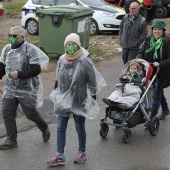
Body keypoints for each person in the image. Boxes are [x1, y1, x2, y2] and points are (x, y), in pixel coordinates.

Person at [47, 33, 106, 166]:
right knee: (61, 127)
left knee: (79, 127)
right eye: (68, 44)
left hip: (79, 100)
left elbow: (92, 82)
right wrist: (56, 95)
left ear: (78, 45)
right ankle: (59, 155)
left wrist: (90, 99)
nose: (71, 46)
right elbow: (57, 79)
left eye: (73, 44)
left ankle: (82, 152)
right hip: (63, 100)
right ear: (65, 46)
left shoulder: (85, 61)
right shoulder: (62, 60)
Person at [0, 26, 50, 149]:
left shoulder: (30, 50)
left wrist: (20, 74)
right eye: (10, 35)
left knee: (30, 114)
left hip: (27, 89)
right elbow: (2, 66)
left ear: (22, 37)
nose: (11, 38)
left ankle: (44, 127)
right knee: (7, 113)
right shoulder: (7, 49)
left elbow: (36, 69)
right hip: (10, 88)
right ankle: (11, 140)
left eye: (14, 36)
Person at [137, 20, 170, 121]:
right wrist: (139, 59)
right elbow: (141, 51)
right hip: (149, 71)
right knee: (158, 92)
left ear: (163, 31)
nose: (157, 31)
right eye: (155, 29)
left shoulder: (167, 42)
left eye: (159, 29)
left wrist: (160, 64)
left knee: (155, 95)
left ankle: (151, 118)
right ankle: (165, 110)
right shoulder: (148, 40)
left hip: (162, 72)